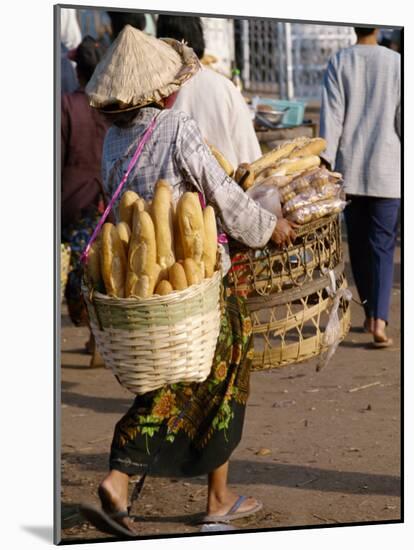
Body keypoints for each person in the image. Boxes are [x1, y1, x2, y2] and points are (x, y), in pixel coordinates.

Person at [80, 26, 296, 537]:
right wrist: (270, 228)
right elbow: (220, 193)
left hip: (148, 287)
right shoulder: (176, 127)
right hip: (194, 282)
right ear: (158, 91)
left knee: (178, 378)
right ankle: (143, 483)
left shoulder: (114, 138)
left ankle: (155, 491)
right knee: (211, 377)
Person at [319, 27, 400, 348]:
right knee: (382, 245)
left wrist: (325, 161)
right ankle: (378, 320)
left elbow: (332, 117)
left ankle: (370, 314)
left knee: (359, 248)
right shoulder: (397, 63)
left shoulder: (340, 61)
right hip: (388, 169)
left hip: (349, 169)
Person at [156, 15, 262, 168]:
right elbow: (252, 160)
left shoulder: (151, 93)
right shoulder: (225, 88)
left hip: (166, 190)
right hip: (229, 186)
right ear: (199, 39)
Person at [61, 36, 110, 344]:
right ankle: (97, 330)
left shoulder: (66, 105)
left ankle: (88, 319)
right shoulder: (113, 108)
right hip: (107, 206)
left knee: (76, 268)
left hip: (72, 207)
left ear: (78, 72)